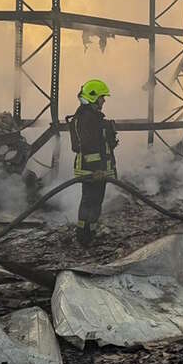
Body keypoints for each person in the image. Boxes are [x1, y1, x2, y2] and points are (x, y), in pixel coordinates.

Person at [68, 79, 118, 245]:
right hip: (92, 170)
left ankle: (90, 233)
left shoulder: (90, 116)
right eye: (102, 97)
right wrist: (98, 170)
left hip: (97, 169)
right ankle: (84, 236)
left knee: (95, 201)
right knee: (90, 201)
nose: (103, 100)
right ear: (93, 97)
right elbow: (89, 147)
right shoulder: (87, 118)